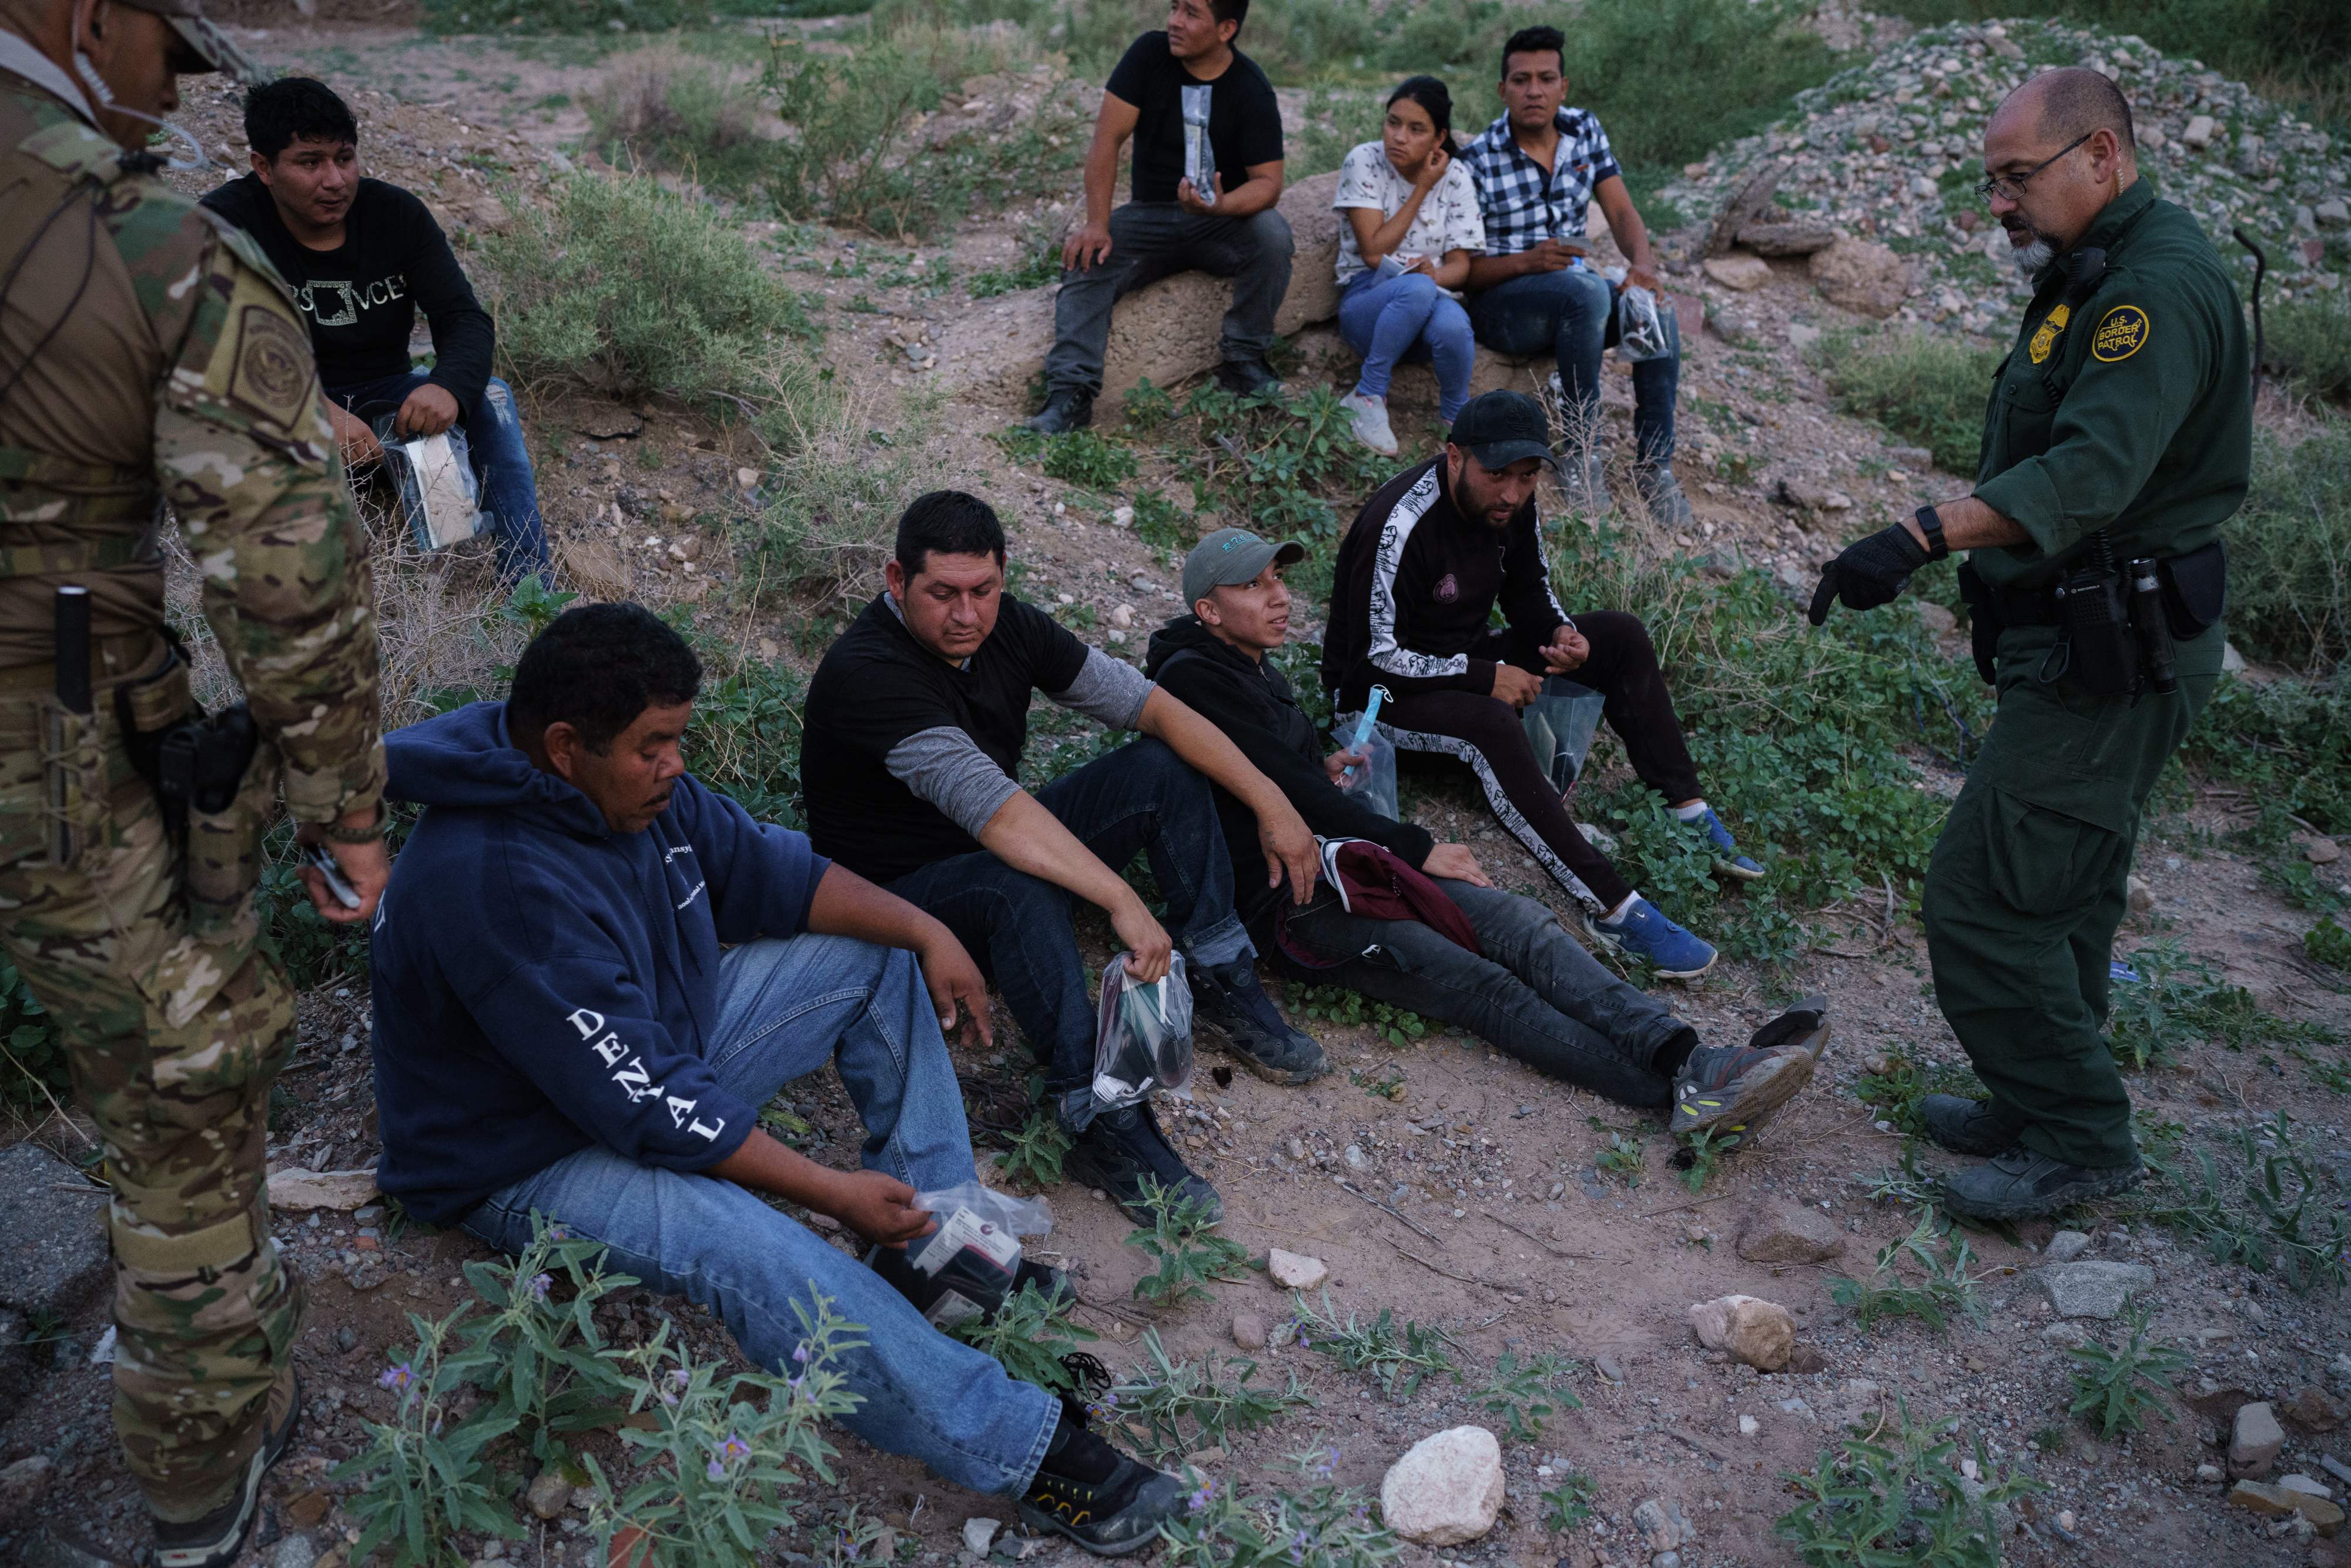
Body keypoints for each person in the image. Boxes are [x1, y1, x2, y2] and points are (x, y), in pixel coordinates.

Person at [368, 604, 1189, 1554]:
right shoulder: (492, 880)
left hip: (642, 1052)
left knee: (871, 953)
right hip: (523, 1149)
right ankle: (1030, 1452)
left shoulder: (628, 787)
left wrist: (928, 931)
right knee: (752, 1247)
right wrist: (833, 1192)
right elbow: (648, 1106)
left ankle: (935, 1248)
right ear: (564, 746)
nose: (676, 764)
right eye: (654, 746)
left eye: (679, 739)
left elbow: (777, 873)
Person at [0, 5, 390, 1564]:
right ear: (90, 21)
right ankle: (200, 1475)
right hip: (47, 747)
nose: (172, 94)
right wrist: (350, 812)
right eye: (169, 50)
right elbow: (289, 571)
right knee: (180, 1095)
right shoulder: (137, 233)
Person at [1809, 69, 2248, 1221]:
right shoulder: (2091, 268)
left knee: (1979, 897)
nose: (1998, 203)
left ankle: (2077, 1137)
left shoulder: (2153, 288)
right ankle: (2036, 1090)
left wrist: (1918, 533)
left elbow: (2090, 473)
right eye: (1990, 181)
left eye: (2017, 178)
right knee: (2064, 885)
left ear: (2099, 156)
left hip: (2116, 646)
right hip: (2081, 634)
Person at [1147, 527, 1826, 1133]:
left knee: (1523, 926)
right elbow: (1284, 794)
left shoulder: (1248, 668)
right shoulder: (1194, 680)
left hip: (1348, 864)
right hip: (1297, 907)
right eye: (1254, 585)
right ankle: (1674, 1091)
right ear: (1207, 610)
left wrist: (1319, 765)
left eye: (1278, 579)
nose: (1279, 595)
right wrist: (1415, 847)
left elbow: (1270, 773)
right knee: (1484, 986)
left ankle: (1695, 1059)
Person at [801, 491, 1325, 1217]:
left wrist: (1274, 802)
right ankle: (1096, 1116)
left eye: (982, 590)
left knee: (1159, 768)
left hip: (986, 848)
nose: (965, 614)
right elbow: (998, 817)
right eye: (941, 593)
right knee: (1012, 884)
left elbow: (1154, 707)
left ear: (1003, 575)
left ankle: (1218, 974)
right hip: (896, 907)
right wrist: (1122, 899)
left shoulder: (1007, 627)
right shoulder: (869, 674)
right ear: (896, 581)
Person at [1325, 392, 1761, 980]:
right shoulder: (1399, 525)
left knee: (1619, 635)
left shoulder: (1511, 506)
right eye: (1496, 475)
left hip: (1461, 661)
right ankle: (1612, 906)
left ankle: (1688, 811)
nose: (1510, 492)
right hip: (1380, 702)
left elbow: (1527, 586)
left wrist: (1559, 632)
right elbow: (1369, 662)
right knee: (1491, 722)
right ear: (1454, 456)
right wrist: (1485, 678)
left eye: (1526, 477)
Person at [201, 75, 551, 582]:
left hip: (385, 396)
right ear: (264, 167)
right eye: (309, 162)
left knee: (491, 396)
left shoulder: (396, 214)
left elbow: (462, 317)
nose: (335, 180)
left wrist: (447, 386)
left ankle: (530, 586)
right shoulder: (223, 224)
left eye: (344, 158)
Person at [1458, 26, 1692, 526]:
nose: (1534, 90)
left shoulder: (1585, 130)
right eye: (1521, 80)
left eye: (1546, 78)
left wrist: (1643, 268)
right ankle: (1581, 455)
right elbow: (1465, 273)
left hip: (1578, 303)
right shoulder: (1477, 159)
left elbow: (1622, 211)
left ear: (1564, 86)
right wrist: (1528, 261)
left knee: (1655, 307)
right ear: (1503, 91)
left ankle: (1656, 466)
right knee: (1585, 290)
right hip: (1505, 307)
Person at [1027, 0, 1288, 434]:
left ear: (1225, 29)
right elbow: (1107, 139)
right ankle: (1070, 396)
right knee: (1087, 257)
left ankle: (1243, 360)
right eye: (1174, 7)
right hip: (1149, 217)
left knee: (1273, 234)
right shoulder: (1149, 55)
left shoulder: (1250, 87)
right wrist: (1097, 222)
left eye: (1191, 13)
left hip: (1219, 223)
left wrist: (1219, 206)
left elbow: (1269, 184)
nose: (1174, 21)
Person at [1331, 75, 1484, 456]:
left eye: (1416, 129)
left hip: (1425, 304)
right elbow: (1373, 252)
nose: (1399, 137)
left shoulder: (1457, 177)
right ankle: (1366, 396)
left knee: (1454, 325)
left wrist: (1434, 275)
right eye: (1393, 122)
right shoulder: (1364, 160)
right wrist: (1422, 189)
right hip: (1368, 304)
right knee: (1417, 289)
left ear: (1438, 139)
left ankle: (1457, 422)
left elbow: (1460, 268)